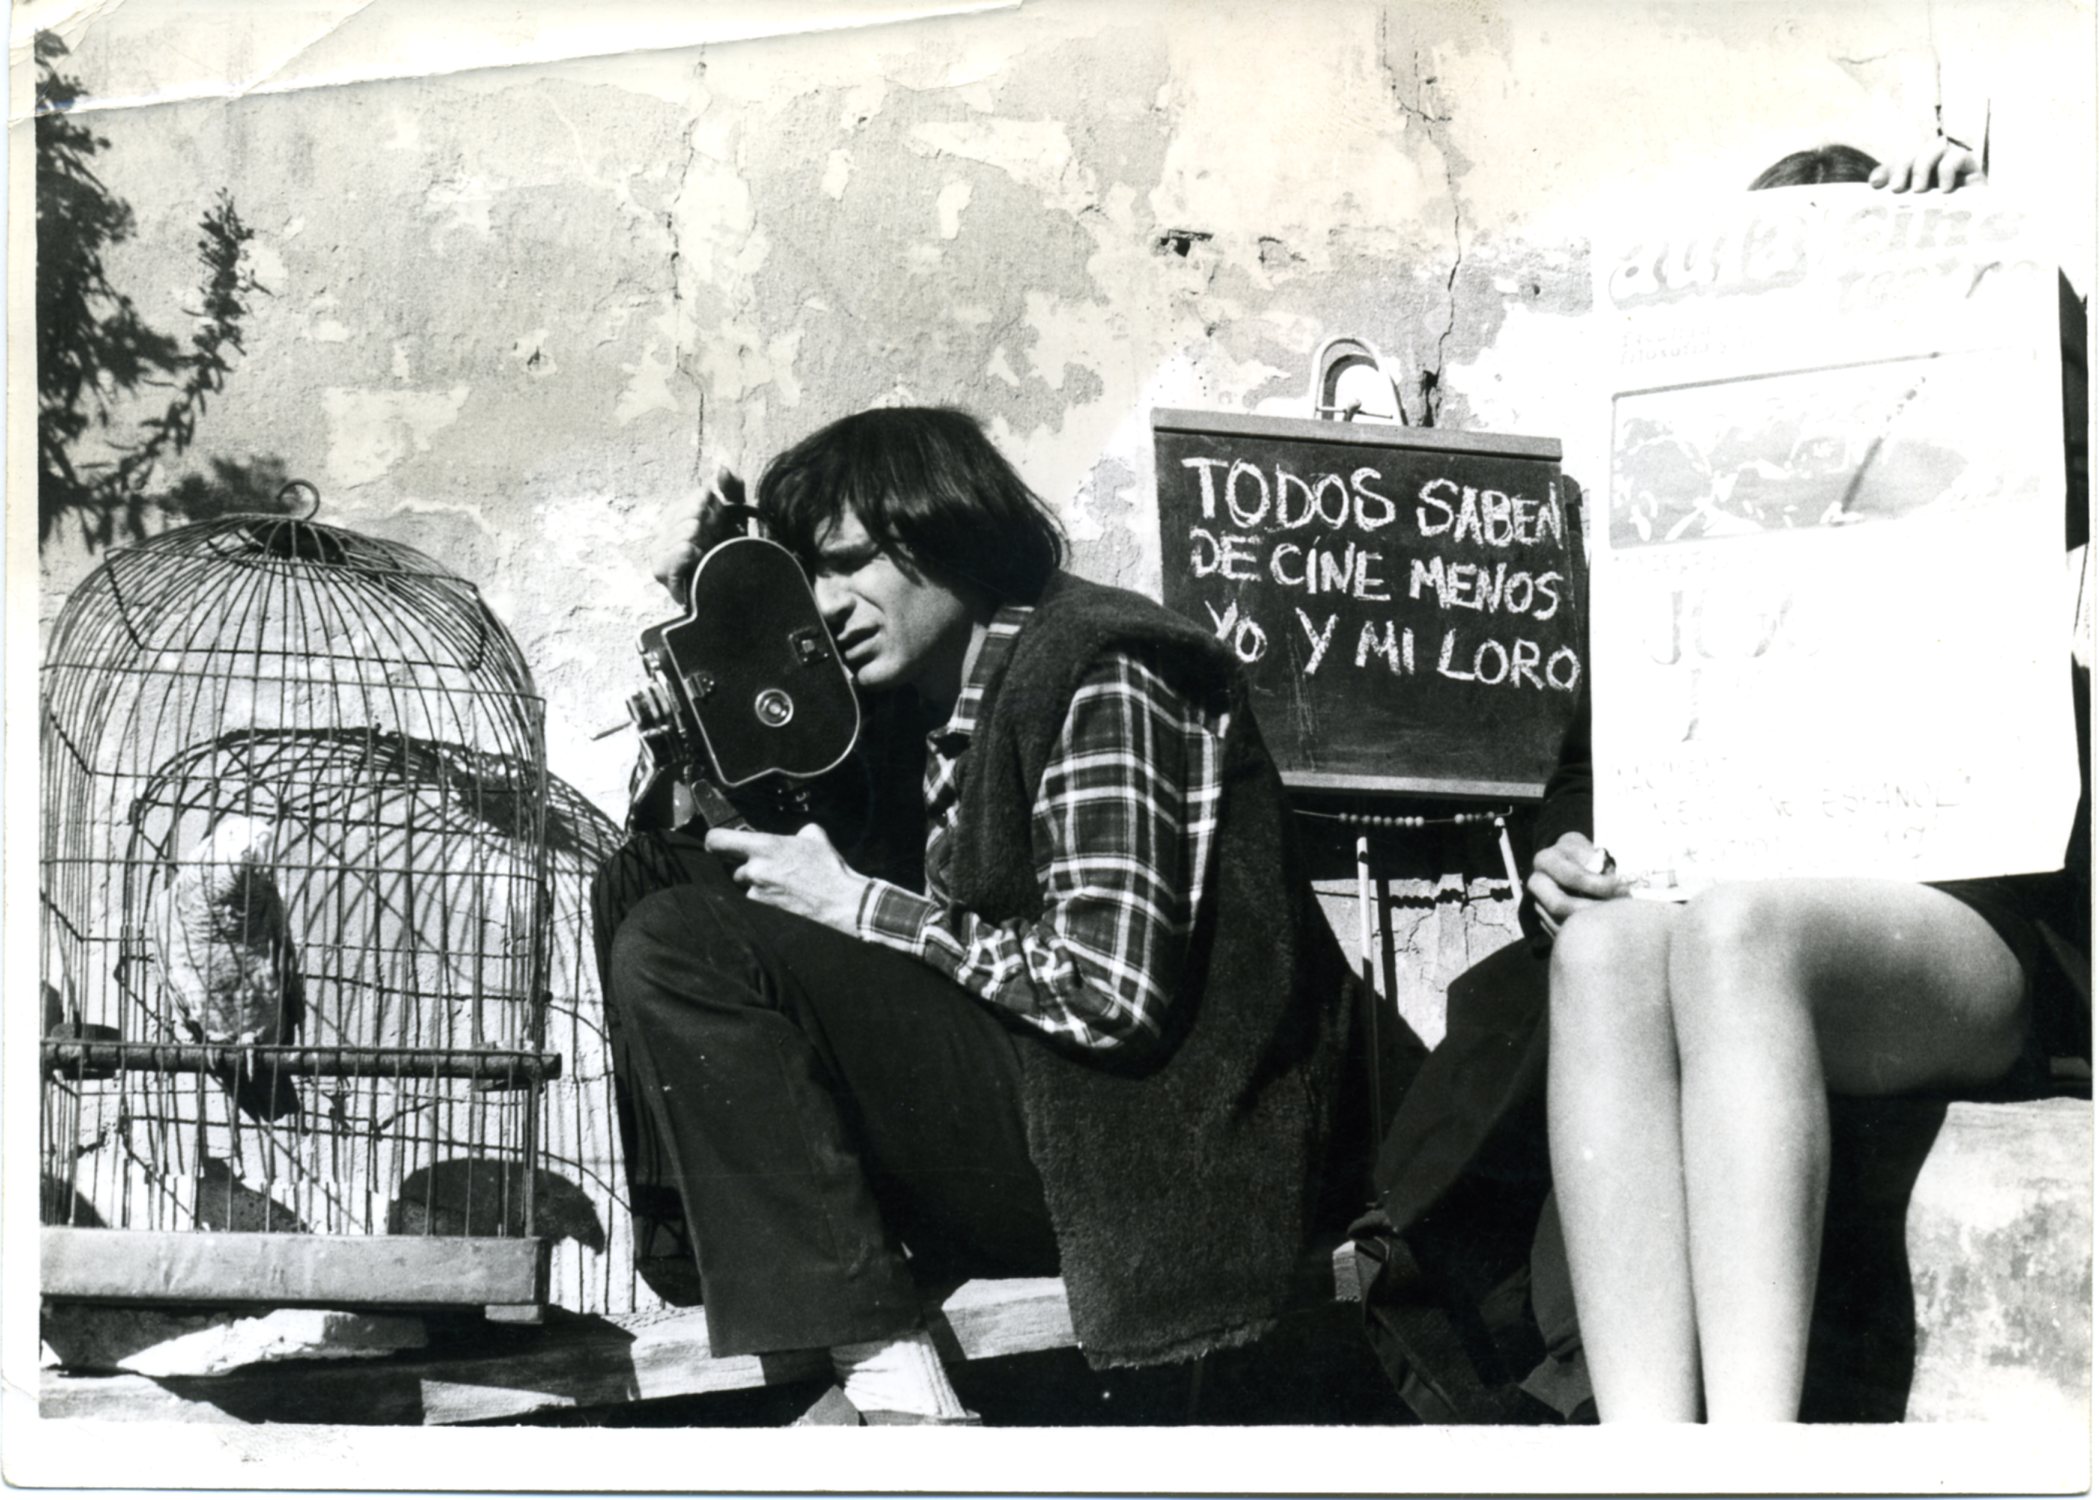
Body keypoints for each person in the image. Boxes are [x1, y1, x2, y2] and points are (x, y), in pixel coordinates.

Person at [591, 406, 1382, 1424]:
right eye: (807, 579)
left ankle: (893, 1388)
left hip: (1150, 1152)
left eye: (850, 564)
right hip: (1040, 1115)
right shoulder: (914, 704)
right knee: (652, 882)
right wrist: (718, 614)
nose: (825, 607)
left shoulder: (1105, 668)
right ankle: (745, 1281)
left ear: (952, 533)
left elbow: (1108, 994)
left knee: (684, 943)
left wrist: (861, 905)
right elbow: (754, 847)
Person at [1536, 139, 2089, 1422]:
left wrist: (1984, 258)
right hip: (1722, 918)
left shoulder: (1964, 449)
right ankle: (1646, 1457)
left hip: (1961, 914)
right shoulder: (1705, 517)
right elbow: (1586, 771)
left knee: (1741, 931)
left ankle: (1757, 1464)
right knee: (1603, 955)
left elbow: (2075, 453)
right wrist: (1565, 858)